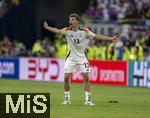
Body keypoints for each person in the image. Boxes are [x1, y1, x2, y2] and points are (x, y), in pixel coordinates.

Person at [43, 13, 119, 106]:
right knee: (66, 78)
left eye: (73, 20)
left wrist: (111, 38)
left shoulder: (84, 31)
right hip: (71, 58)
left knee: (86, 78)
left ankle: (88, 100)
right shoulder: (67, 30)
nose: (71, 21)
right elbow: (57, 31)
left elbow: (96, 36)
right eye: (70, 20)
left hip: (82, 58)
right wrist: (47, 27)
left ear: (77, 21)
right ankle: (67, 99)